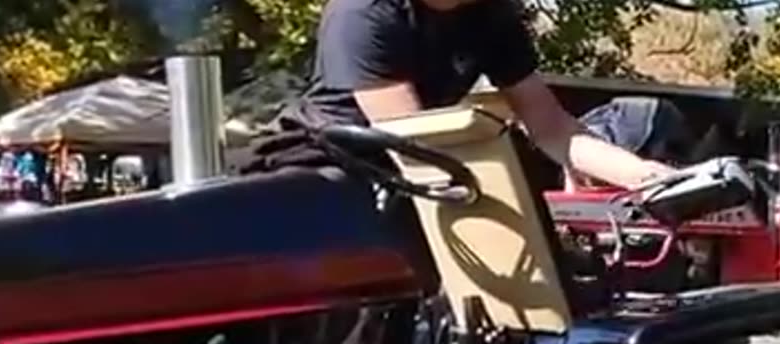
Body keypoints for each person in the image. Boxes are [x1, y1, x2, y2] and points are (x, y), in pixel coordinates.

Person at [271, 0, 675, 189]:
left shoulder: (493, 17)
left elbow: (552, 128)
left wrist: (649, 180)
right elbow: (411, 143)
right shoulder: (364, 12)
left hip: (420, 165)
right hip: (326, 164)